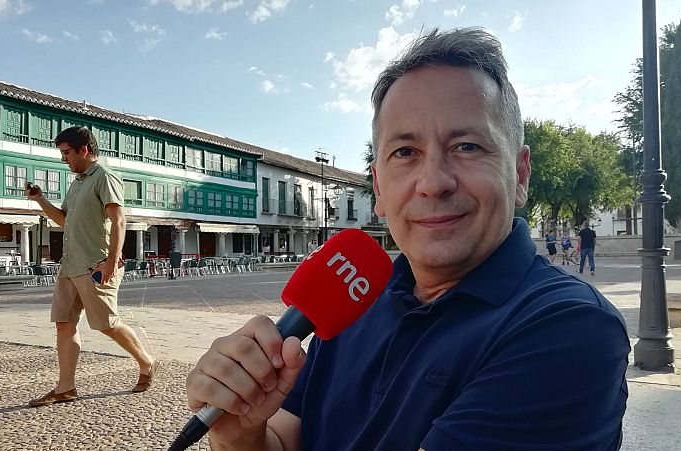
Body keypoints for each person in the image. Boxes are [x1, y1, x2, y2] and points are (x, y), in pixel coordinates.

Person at [185, 28, 629, 450]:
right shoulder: (354, 297)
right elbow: (284, 440)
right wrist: (239, 435)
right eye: (405, 153)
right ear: (378, 189)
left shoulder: (570, 328)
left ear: (519, 174)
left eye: (467, 146)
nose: (433, 183)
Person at [27, 126, 159, 407]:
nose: (63, 158)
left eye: (66, 152)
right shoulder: (77, 183)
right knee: (64, 323)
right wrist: (40, 199)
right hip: (70, 265)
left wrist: (112, 261)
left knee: (106, 324)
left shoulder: (105, 177)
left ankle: (146, 361)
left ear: (83, 150)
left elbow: (119, 220)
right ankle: (65, 388)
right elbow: (64, 221)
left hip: (95, 265)